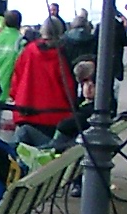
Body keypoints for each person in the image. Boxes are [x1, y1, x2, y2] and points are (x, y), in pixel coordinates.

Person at [8, 18, 79, 147]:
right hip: (54, 114)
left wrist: (15, 96)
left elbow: (17, 76)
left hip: (25, 110)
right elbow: (68, 87)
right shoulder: (61, 56)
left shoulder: (29, 50)